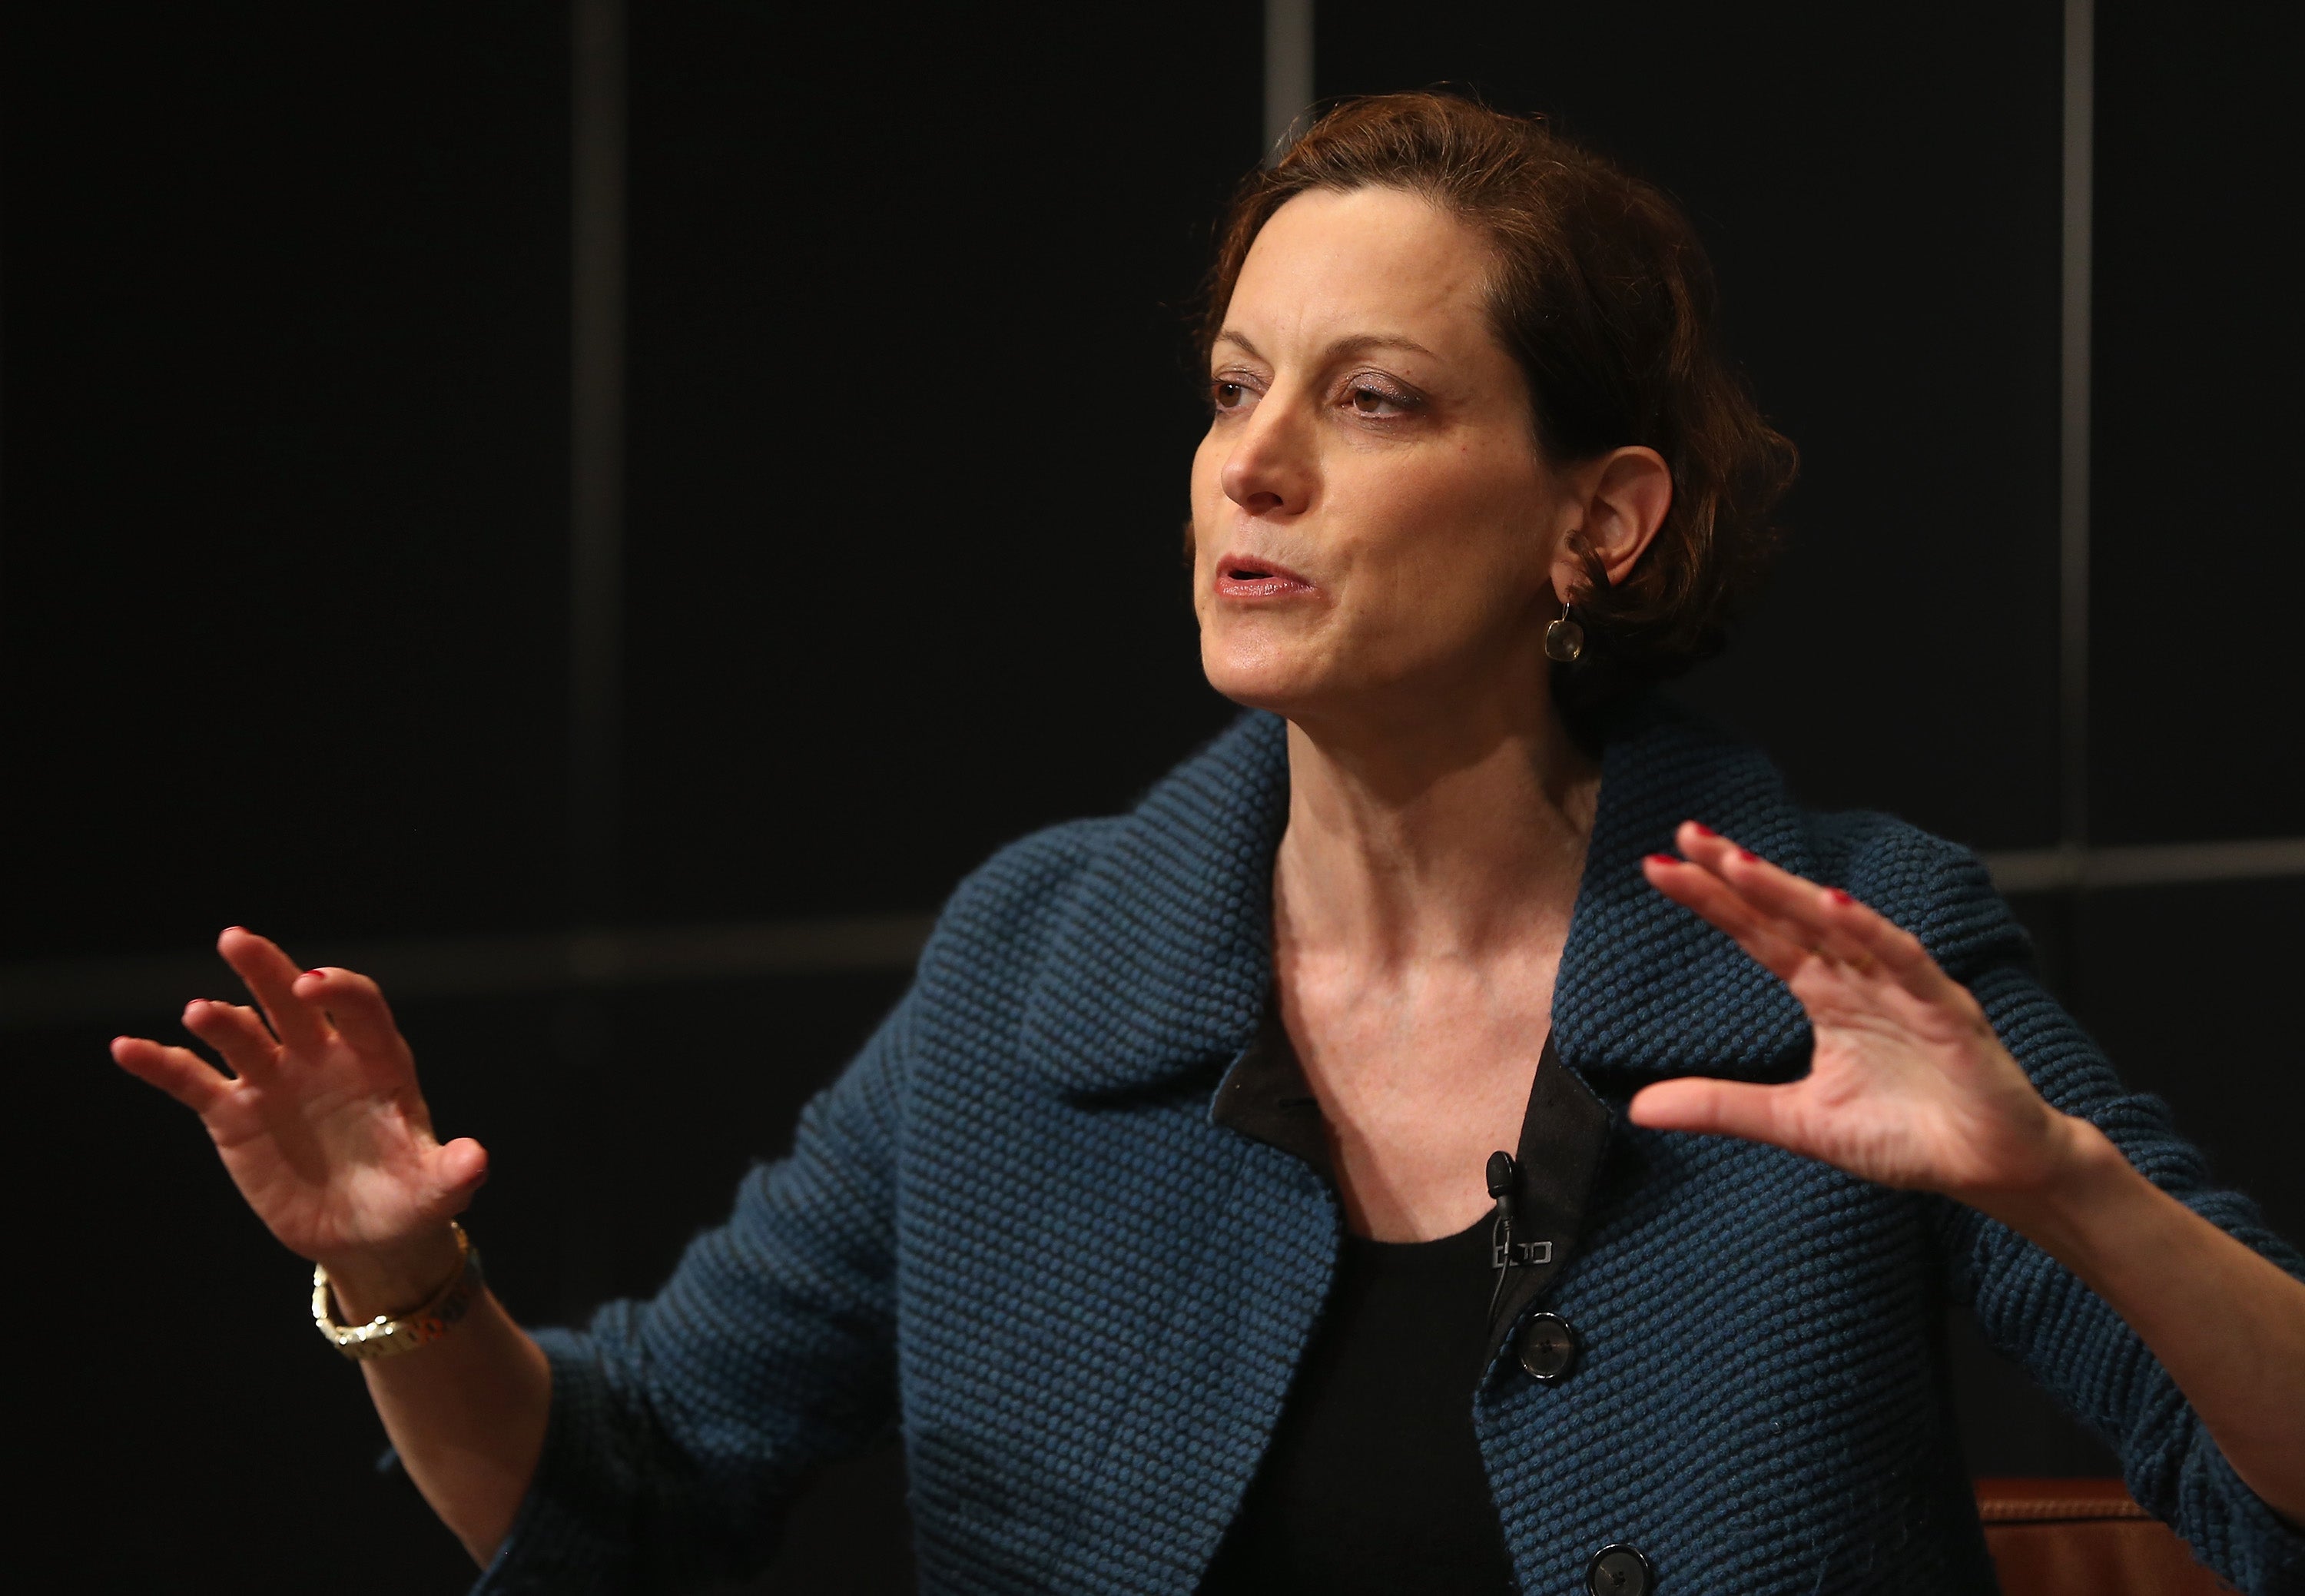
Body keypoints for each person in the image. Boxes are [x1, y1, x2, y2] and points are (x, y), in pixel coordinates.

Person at [112, 94, 2305, 1595]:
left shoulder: (1837, 946)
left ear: (1598, 519)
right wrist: (405, 1278)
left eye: (1371, 401)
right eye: (1234, 385)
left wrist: (2067, 1192)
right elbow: (628, 1489)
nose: (1249, 469)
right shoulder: (1039, 967)